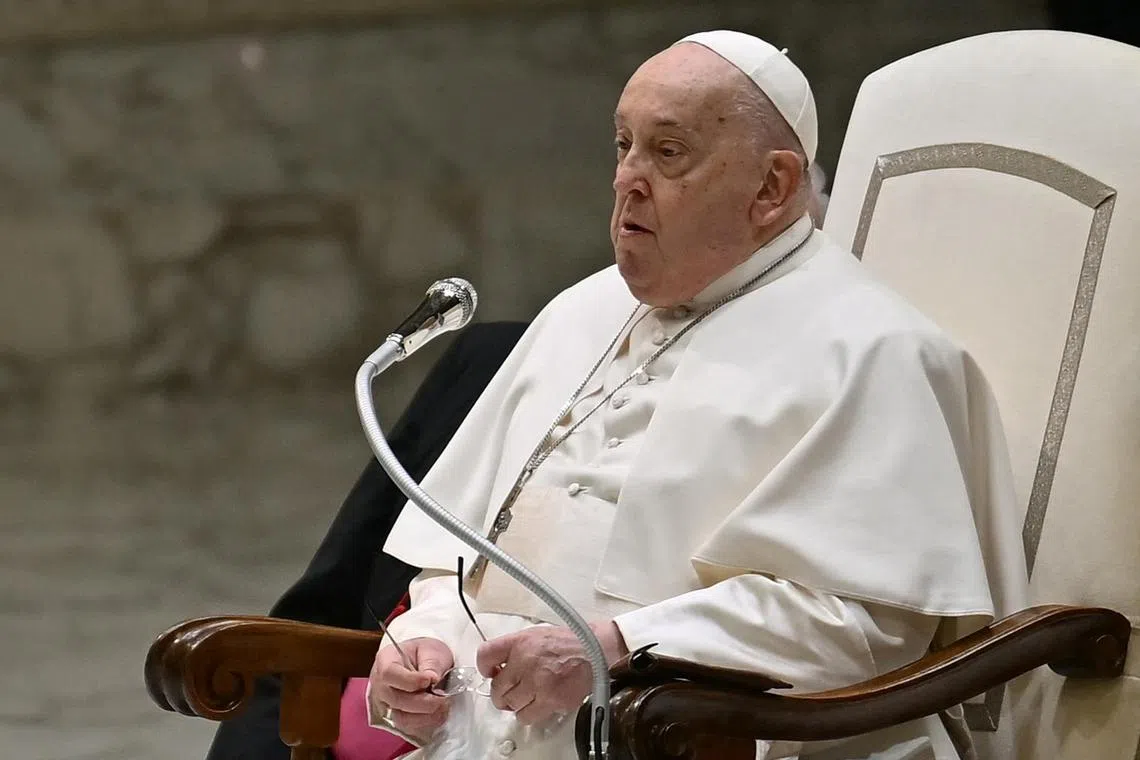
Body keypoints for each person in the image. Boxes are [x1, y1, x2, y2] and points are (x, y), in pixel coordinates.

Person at [366, 30, 1026, 760]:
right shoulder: (578, 312)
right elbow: (459, 562)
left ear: (772, 189)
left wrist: (618, 648)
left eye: (668, 152)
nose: (628, 179)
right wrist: (424, 640)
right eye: (623, 146)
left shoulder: (874, 350)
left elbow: (863, 622)